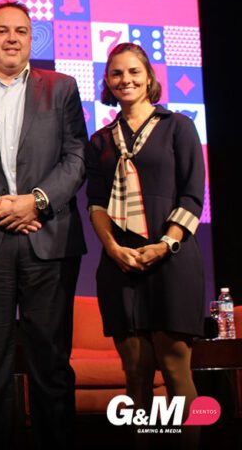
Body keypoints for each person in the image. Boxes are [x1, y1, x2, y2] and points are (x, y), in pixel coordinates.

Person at [0, 0, 87, 449]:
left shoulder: (62, 88)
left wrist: (36, 202)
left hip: (50, 240)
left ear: (31, 39)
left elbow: (76, 156)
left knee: (51, 362)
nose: (12, 38)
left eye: (21, 31)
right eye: (2, 30)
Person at [86, 43, 204, 436]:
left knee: (175, 371)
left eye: (134, 71)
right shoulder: (100, 141)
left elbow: (192, 195)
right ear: (107, 82)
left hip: (172, 261)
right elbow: (95, 204)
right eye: (116, 73)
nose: (126, 80)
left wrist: (166, 244)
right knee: (135, 375)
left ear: (149, 77)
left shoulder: (178, 126)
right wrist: (112, 248)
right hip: (121, 265)